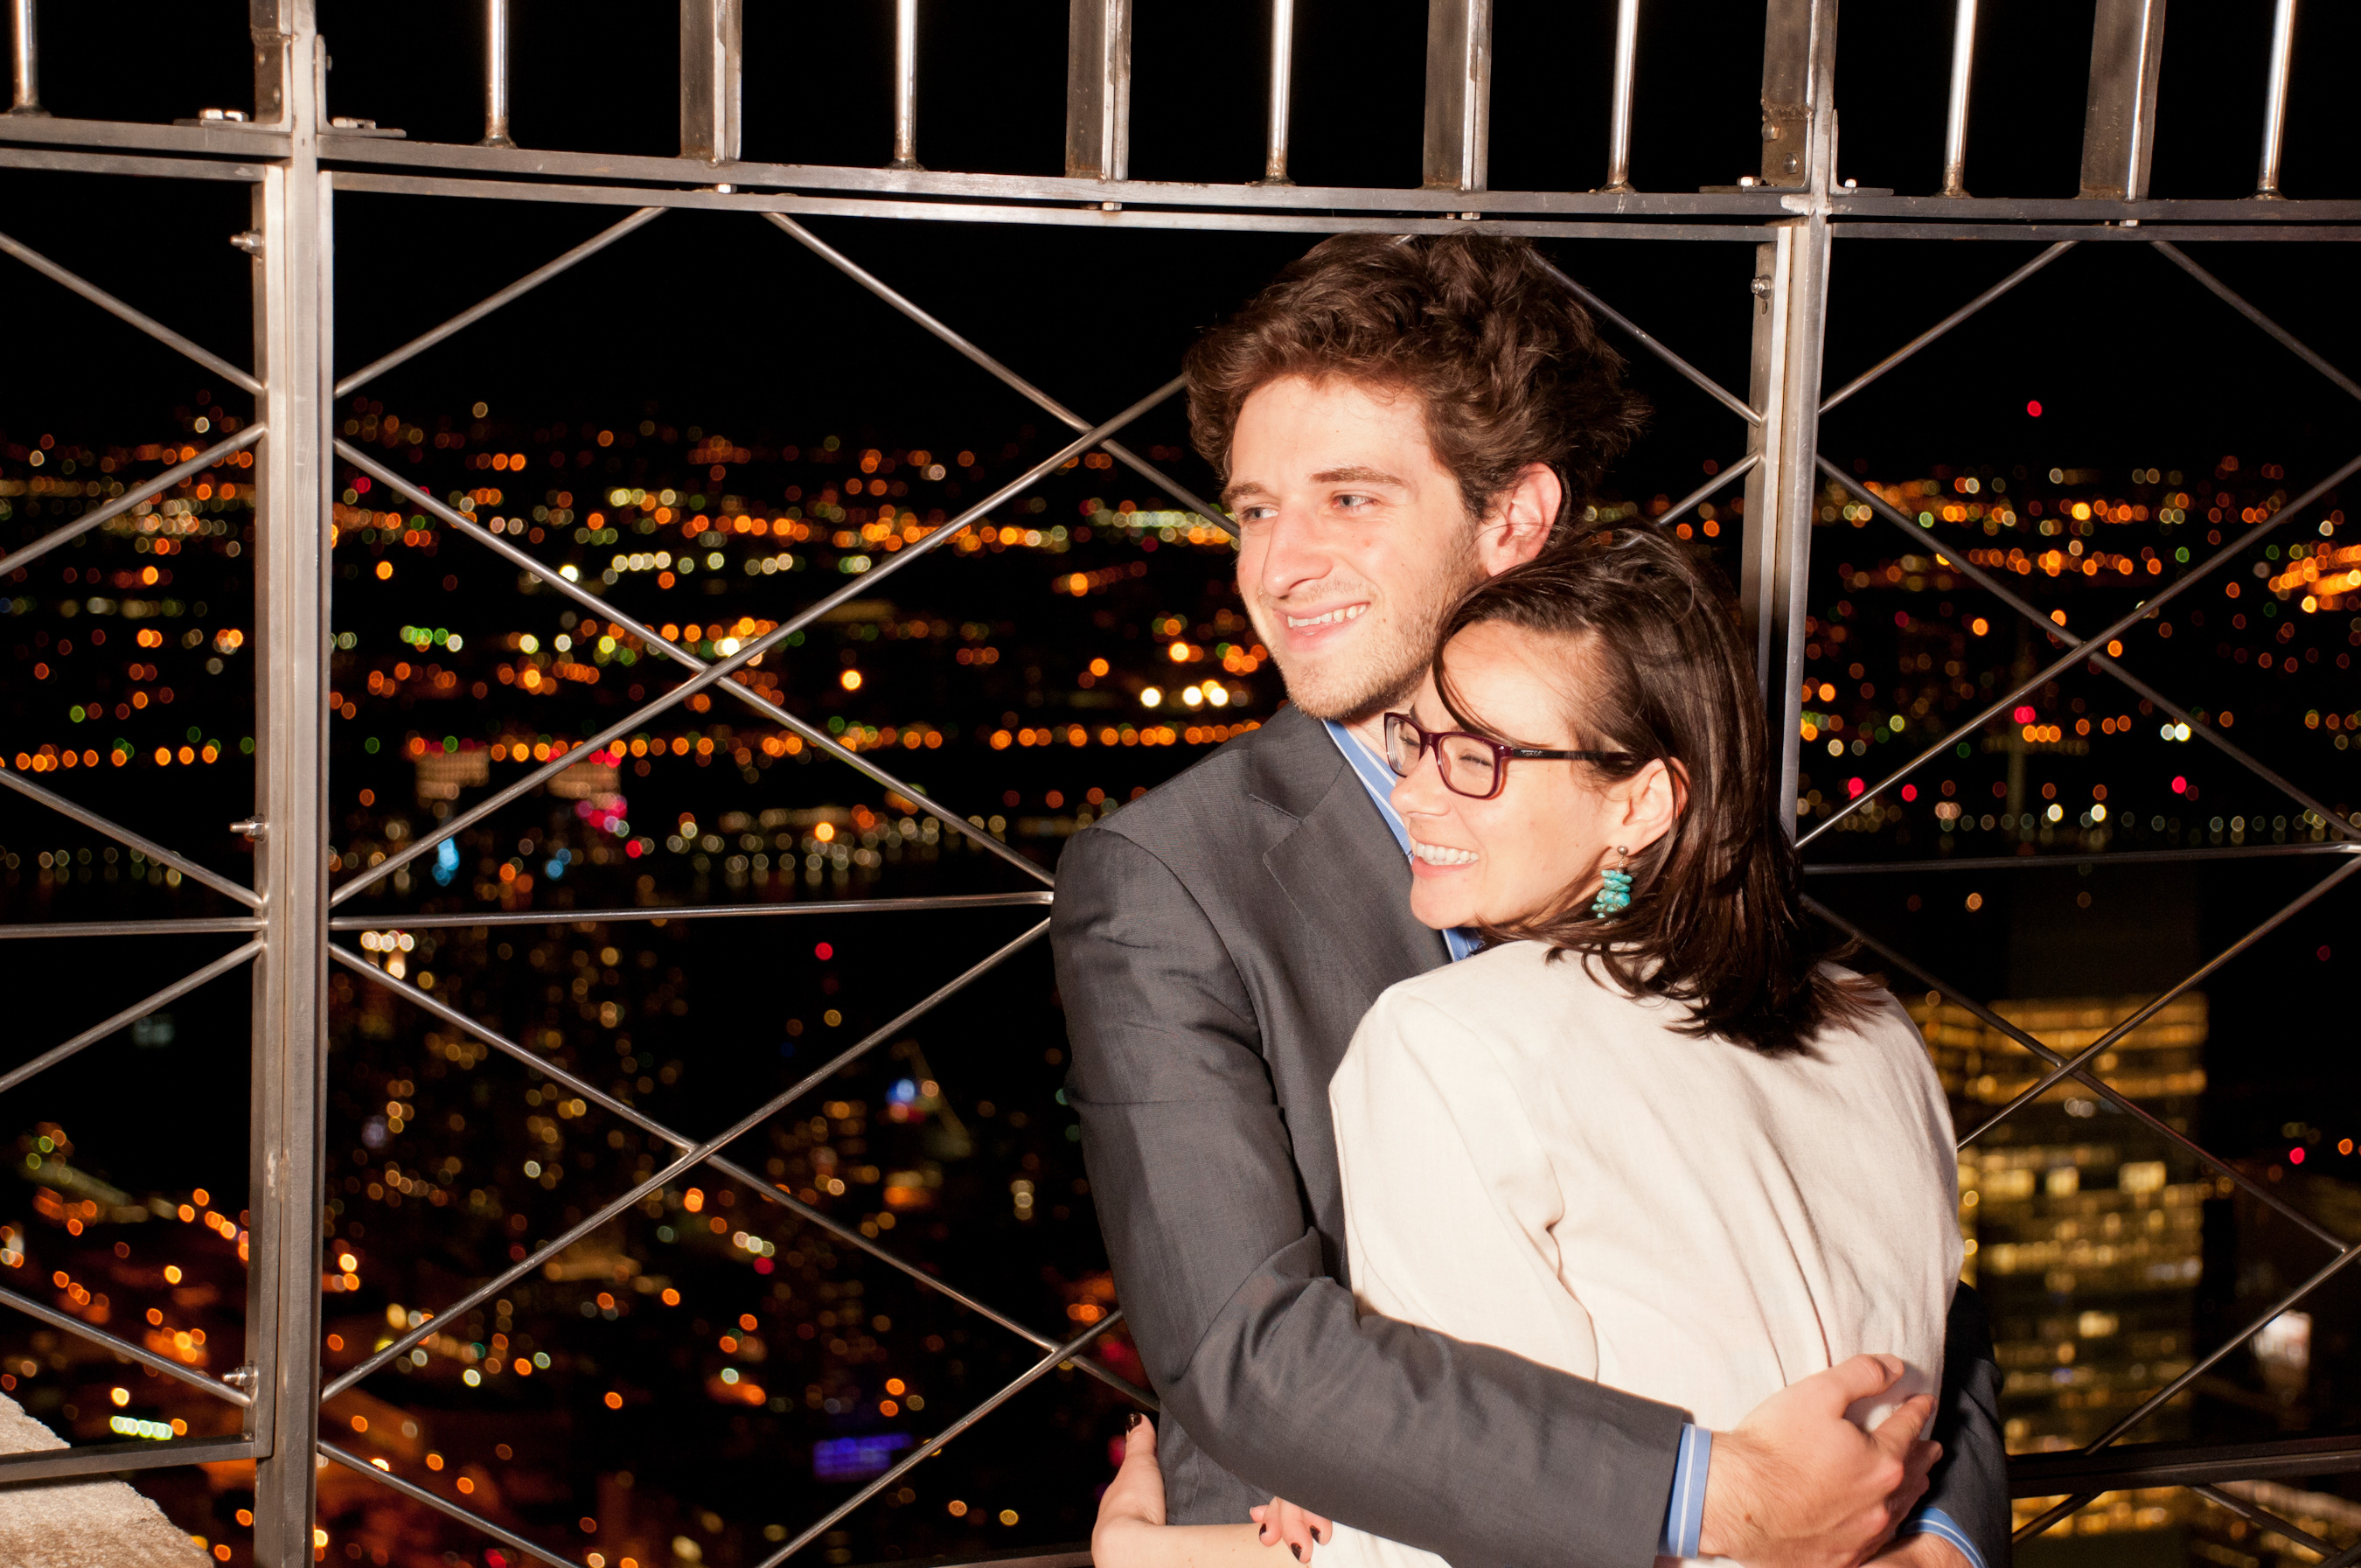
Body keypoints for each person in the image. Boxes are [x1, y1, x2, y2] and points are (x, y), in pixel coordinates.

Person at [1050, 233, 2003, 1568]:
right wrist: (1720, 1497)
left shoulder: (1638, 784)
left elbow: (1861, 1207)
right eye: (1255, 507)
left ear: (1513, 517)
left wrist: (1941, 1535)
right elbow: (1247, 1348)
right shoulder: (1164, 879)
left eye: (1351, 499)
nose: (1280, 562)